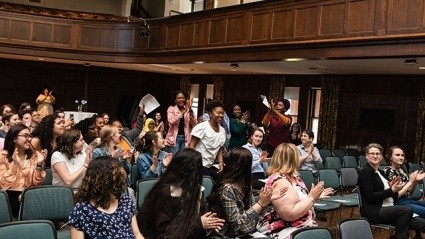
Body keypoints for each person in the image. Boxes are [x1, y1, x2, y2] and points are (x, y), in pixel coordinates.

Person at [137, 148, 225, 239]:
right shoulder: (167, 193)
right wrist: (199, 225)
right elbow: (166, 233)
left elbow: (199, 221)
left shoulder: (196, 191)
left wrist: (210, 225)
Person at [256, 143, 333, 238]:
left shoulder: (293, 177)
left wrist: (315, 197)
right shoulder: (280, 181)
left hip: (301, 226)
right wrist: (311, 198)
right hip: (284, 230)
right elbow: (289, 214)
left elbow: (302, 201)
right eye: (297, 156)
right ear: (293, 160)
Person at [208, 147, 283, 237]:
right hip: (229, 234)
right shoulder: (227, 188)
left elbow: (252, 212)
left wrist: (268, 199)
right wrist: (260, 204)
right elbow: (237, 224)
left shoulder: (244, 183)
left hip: (249, 229)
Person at [358, 143, 425, 239]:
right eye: (372, 153)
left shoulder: (380, 173)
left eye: (378, 154)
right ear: (366, 156)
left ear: (381, 156)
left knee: (422, 223)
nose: (375, 156)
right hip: (375, 211)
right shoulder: (366, 172)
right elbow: (370, 197)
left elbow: (394, 196)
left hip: (391, 208)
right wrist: (391, 190)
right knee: (407, 210)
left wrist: (395, 189)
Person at [68, 156, 144, 239]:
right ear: (105, 180)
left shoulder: (126, 201)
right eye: (117, 177)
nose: (121, 180)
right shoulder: (82, 209)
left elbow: (137, 234)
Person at [0, 125, 47, 216]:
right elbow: (3, 185)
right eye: (25, 136)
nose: (29, 139)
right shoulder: (2, 157)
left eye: (30, 136)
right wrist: (15, 165)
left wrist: (39, 164)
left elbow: (36, 183)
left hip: (30, 200)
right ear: (14, 139)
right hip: (9, 201)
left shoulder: (34, 155)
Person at [383, 146, 425, 218]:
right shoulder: (388, 171)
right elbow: (396, 195)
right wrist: (410, 182)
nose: (401, 157)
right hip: (398, 203)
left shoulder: (401, 170)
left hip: (408, 200)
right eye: (397, 155)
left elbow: (409, 193)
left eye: (402, 155)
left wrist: (415, 182)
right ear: (390, 157)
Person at [189, 100, 226, 178]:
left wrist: (221, 162)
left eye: (222, 113)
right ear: (210, 114)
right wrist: (194, 163)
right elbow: (191, 146)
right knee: (208, 182)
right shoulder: (202, 127)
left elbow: (219, 148)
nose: (221, 115)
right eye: (218, 113)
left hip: (210, 165)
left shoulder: (222, 130)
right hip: (198, 164)